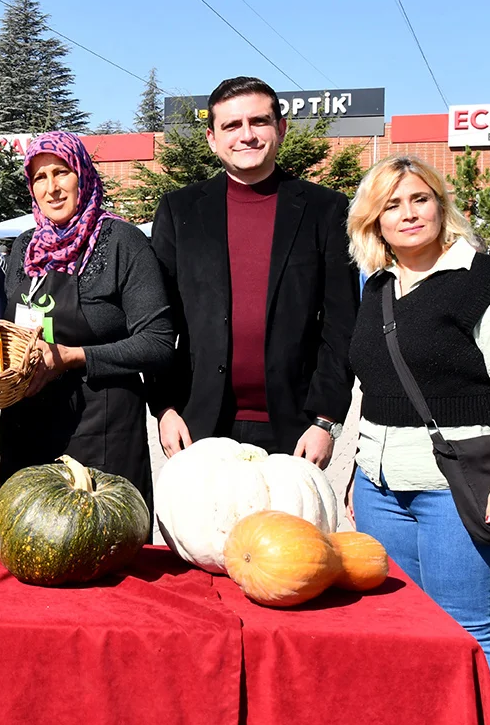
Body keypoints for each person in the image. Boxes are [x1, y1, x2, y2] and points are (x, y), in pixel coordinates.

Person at [347, 156, 490, 689]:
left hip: (455, 490)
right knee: (403, 624)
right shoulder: (377, 286)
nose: (408, 214)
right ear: (374, 222)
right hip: (379, 489)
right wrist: (357, 474)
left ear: (441, 205)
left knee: (464, 628)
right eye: (391, 205)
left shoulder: (483, 283)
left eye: (419, 199)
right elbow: (377, 387)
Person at [150, 76, 358, 461]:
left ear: (280, 128)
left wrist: (326, 420)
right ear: (212, 138)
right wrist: (164, 409)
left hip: (295, 431)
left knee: (286, 525)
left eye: (258, 121)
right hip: (199, 426)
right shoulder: (179, 211)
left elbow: (341, 324)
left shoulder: (324, 210)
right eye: (231, 125)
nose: (246, 135)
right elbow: (158, 322)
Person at [0, 133, 175, 506]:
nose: (52, 188)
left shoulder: (122, 242)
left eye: (61, 173)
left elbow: (158, 342)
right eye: (39, 178)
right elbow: (10, 327)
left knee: (102, 551)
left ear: (83, 174)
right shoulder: (24, 247)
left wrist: (73, 356)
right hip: (26, 425)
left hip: (101, 431)